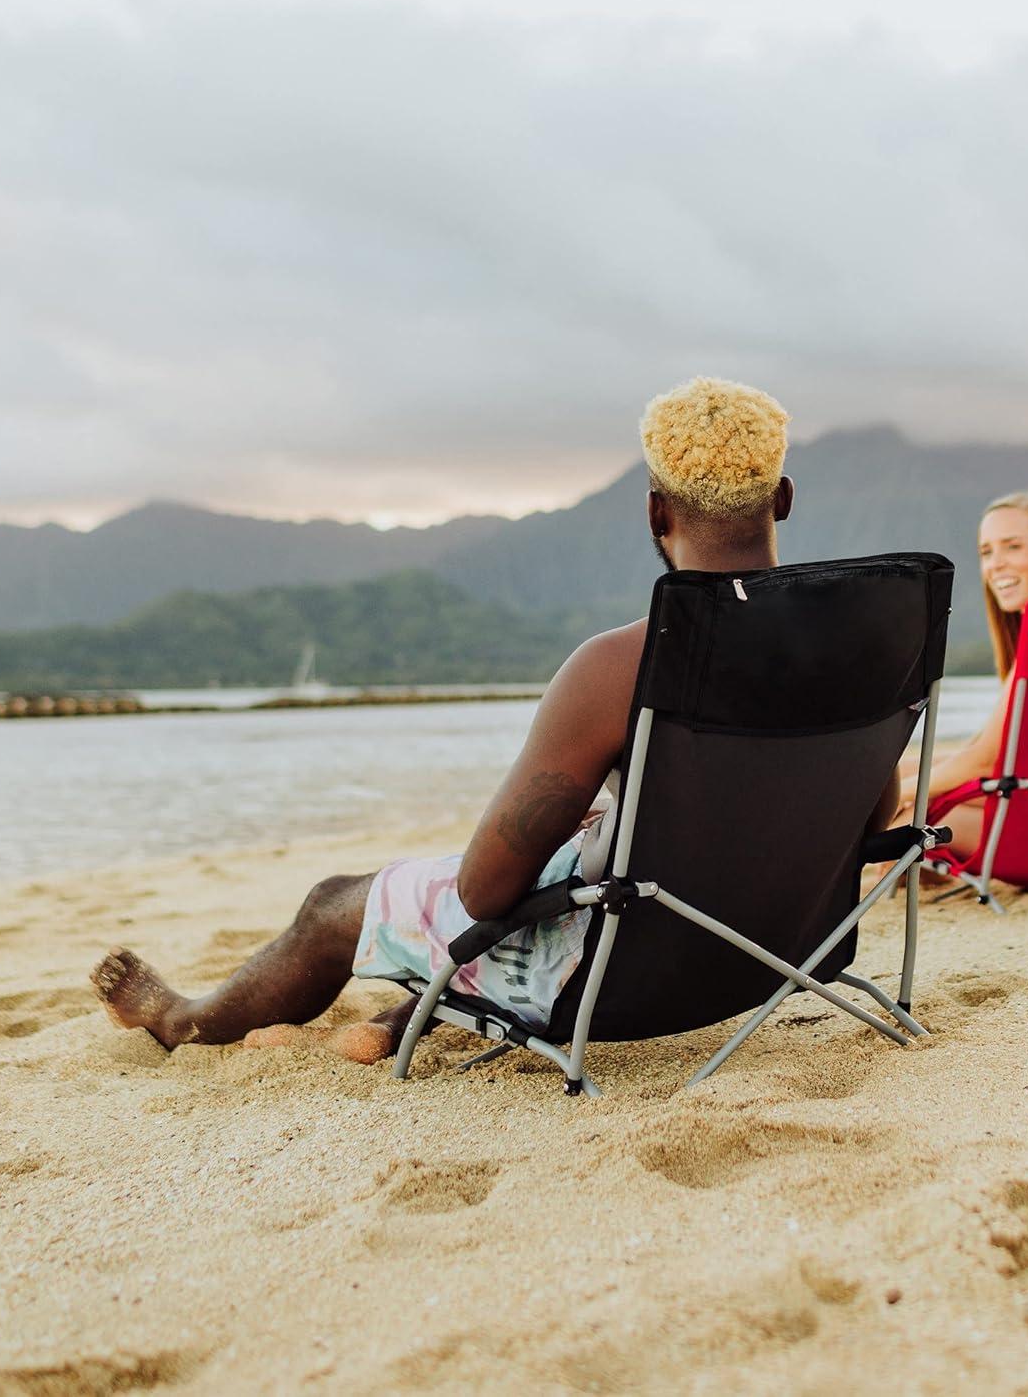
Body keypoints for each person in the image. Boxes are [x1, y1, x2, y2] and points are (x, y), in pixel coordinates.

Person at [90, 378, 903, 1064]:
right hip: (782, 956)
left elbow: (484, 892)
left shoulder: (620, 666)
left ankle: (181, 1021)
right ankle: (404, 1019)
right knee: (589, 844)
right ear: (784, 498)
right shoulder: (859, 649)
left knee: (336, 902)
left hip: (617, 982)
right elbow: (872, 814)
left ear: (657, 512)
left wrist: (566, 826)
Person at [910, 488, 1028, 866]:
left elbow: (984, 763)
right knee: (899, 774)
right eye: (986, 552)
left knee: (902, 819)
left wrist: (902, 795)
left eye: (1012, 547)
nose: (995, 564)